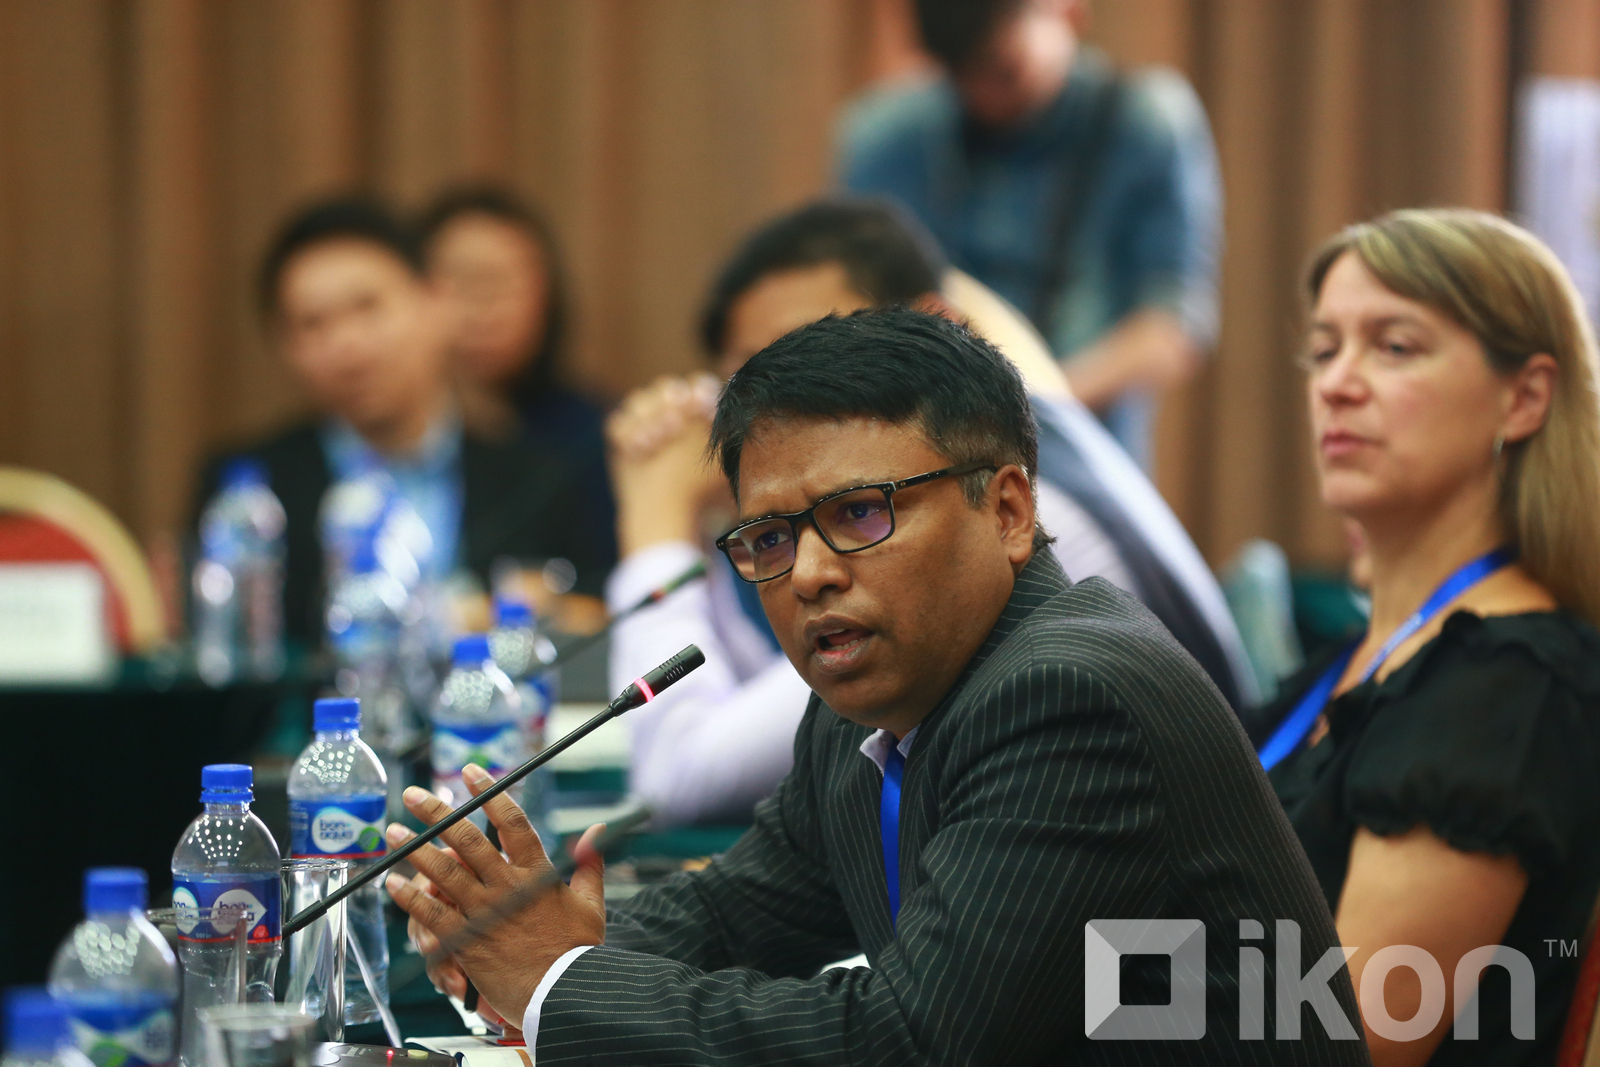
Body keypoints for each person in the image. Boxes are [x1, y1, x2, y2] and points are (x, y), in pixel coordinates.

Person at [386, 308, 1367, 1063]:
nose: (810, 572)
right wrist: (524, 937)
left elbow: (904, 1042)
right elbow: (733, 916)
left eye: (859, 513)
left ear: (1009, 510)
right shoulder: (867, 703)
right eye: (770, 537)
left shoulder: (1072, 697)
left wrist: (559, 978)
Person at [608, 197, 1256, 825]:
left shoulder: (998, 501)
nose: (785, 405)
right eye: (753, 381)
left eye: (819, 350)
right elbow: (783, 709)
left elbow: (680, 775)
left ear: (936, 325)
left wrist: (655, 527)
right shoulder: (1015, 442)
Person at [1258, 208, 1600, 1064]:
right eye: (1324, 349)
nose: (1337, 383)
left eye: (1395, 346)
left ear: (1524, 398)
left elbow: (1342, 1044)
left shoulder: (1506, 684)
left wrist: (1091, 993)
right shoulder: (1349, 659)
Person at [190, 195, 614, 647]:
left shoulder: (539, 479)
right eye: (313, 324)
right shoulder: (251, 490)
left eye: (367, 307)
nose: (348, 345)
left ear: (436, 303)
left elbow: (597, 626)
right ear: (285, 349)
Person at [837, 0, 1221, 469]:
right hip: (922, 454)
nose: (982, 97)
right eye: (959, 72)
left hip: (1079, 458)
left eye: (1005, 71)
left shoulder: (1145, 122)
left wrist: (1033, 404)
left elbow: (1172, 327)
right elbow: (852, 304)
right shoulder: (884, 135)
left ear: (1069, 12)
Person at [418, 185, 616, 561]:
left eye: (501, 284)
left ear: (547, 297)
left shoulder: (592, 437)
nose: (482, 311)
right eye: (460, 283)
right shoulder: (383, 438)